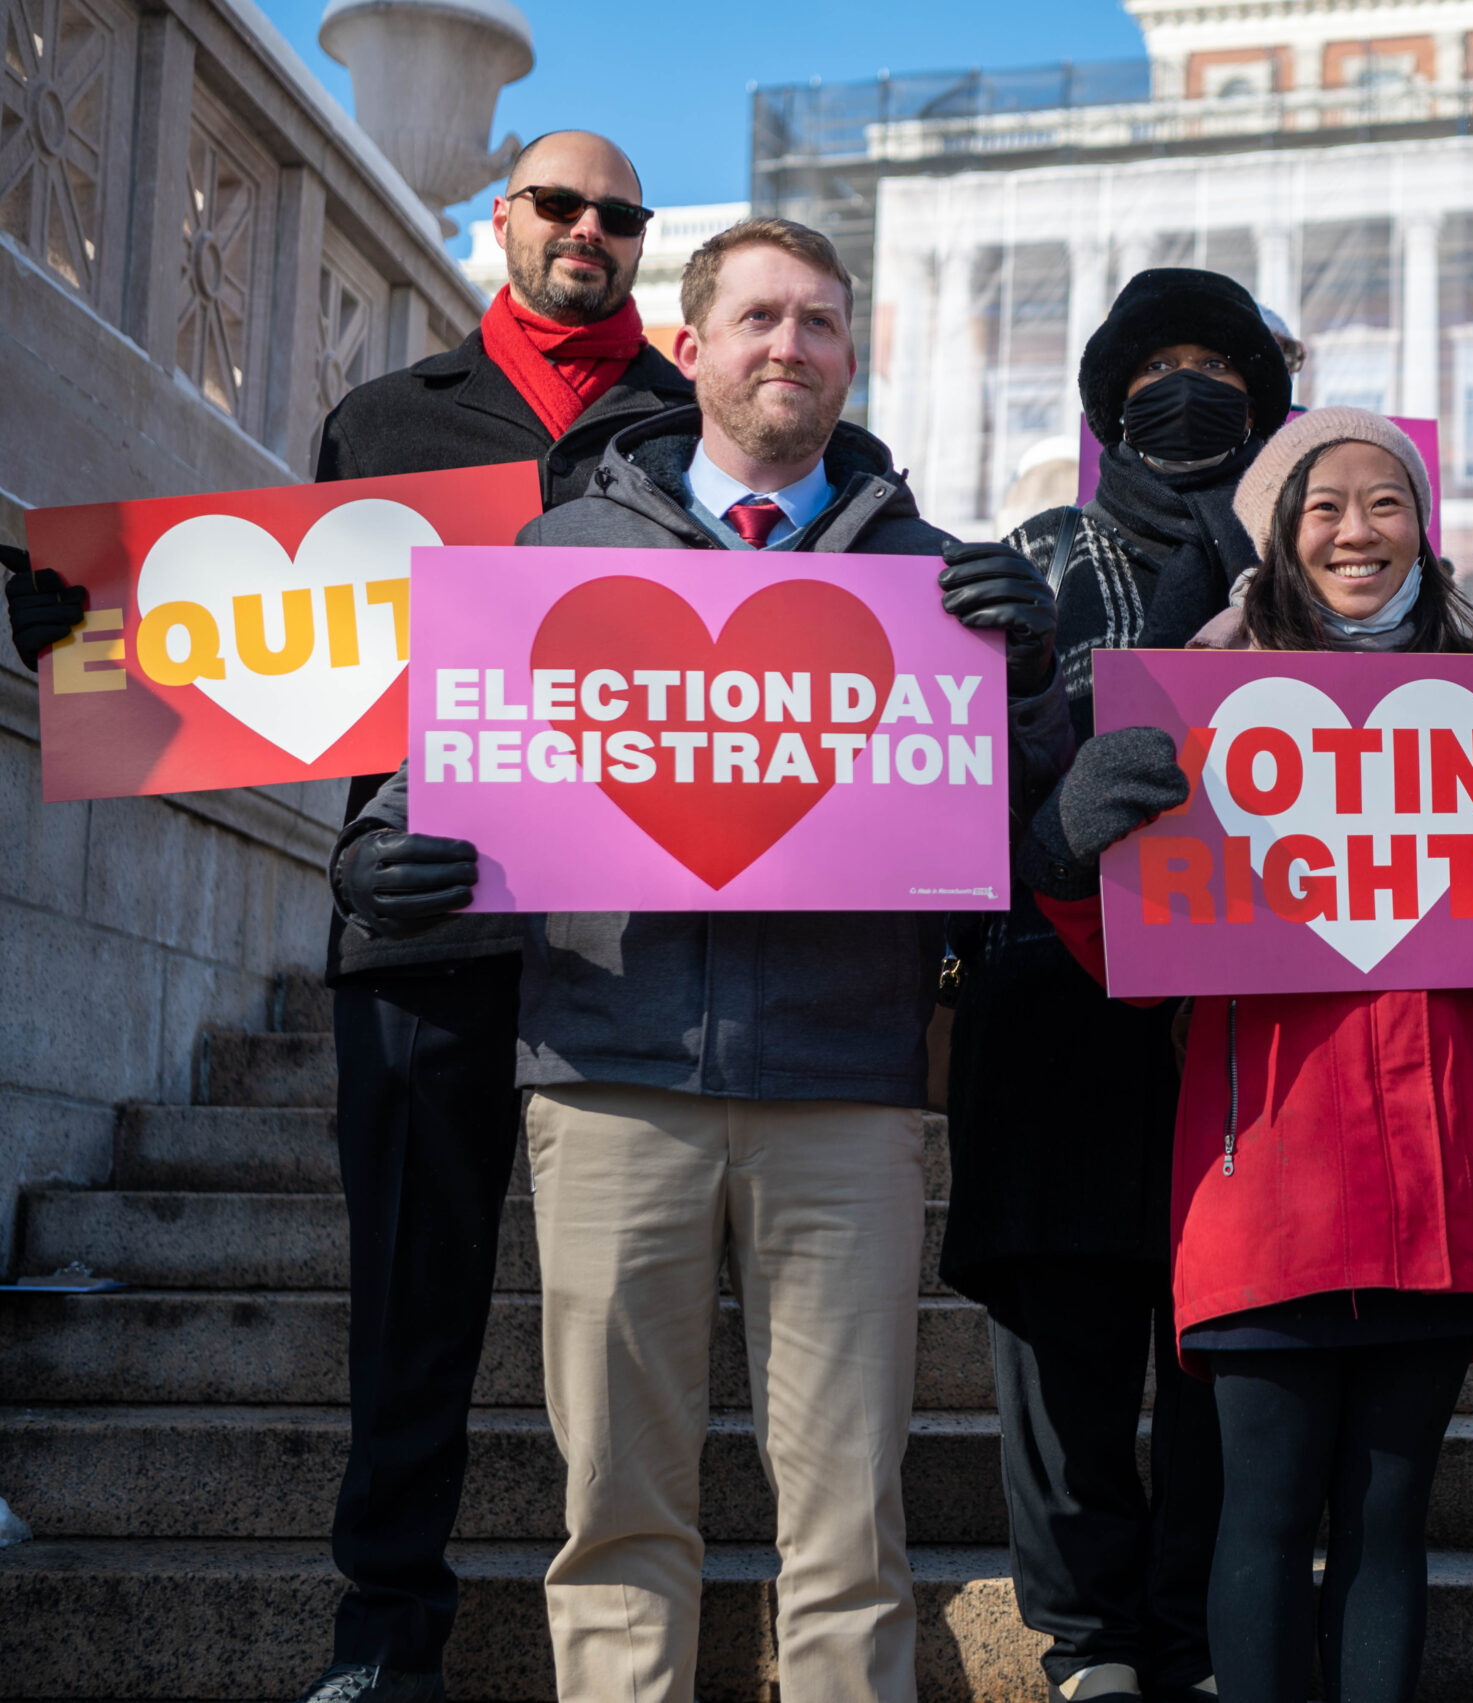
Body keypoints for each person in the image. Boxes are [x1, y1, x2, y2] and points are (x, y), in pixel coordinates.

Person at [0, 129, 701, 1703]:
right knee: (408, 1298)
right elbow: (288, 642)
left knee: (637, 1314)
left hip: (636, 942)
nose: (590, 231)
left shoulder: (693, 426)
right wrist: (94, 633)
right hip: (423, 919)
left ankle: (638, 1644)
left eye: (621, 215)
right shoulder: (386, 419)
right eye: (560, 204)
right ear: (503, 222)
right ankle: (385, 1636)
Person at [331, 218, 1069, 1703]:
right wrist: (370, 858)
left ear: (852, 356)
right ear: (693, 348)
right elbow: (445, 764)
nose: (789, 345)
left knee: (849, 1521)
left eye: (819, 322)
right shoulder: (558, 552)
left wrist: (1036, 683)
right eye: (759, 318)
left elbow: (1019, 828)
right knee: (613, 1510)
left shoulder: (933, 576)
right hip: (609, 1077)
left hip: (846, 1088)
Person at [1016, 409, 1473, 1703]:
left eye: (1386, 501)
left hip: (1438, 1175)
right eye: (1324, 505)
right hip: (1268, 1179)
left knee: (1389, 1515)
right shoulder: (1202, 692)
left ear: (1424, 527)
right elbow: (1125, 945)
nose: (1358, 530)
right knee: (1261, 1507)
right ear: (1280, 535)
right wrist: (1068, 850)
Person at [942, 267, 1290, 1703]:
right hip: (1052, 1008)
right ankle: (1088, 1639)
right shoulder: (1032, 558)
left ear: (1262, 403)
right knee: (1064, 1347)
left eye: (1219, 366)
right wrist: (1047, 790)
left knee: (1227, 1341)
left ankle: (1200, 1629)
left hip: (1241, 1014)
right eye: (1155, 371)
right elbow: (943, 789)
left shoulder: (1308, 571)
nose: (1187, 390)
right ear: (1110, 405)